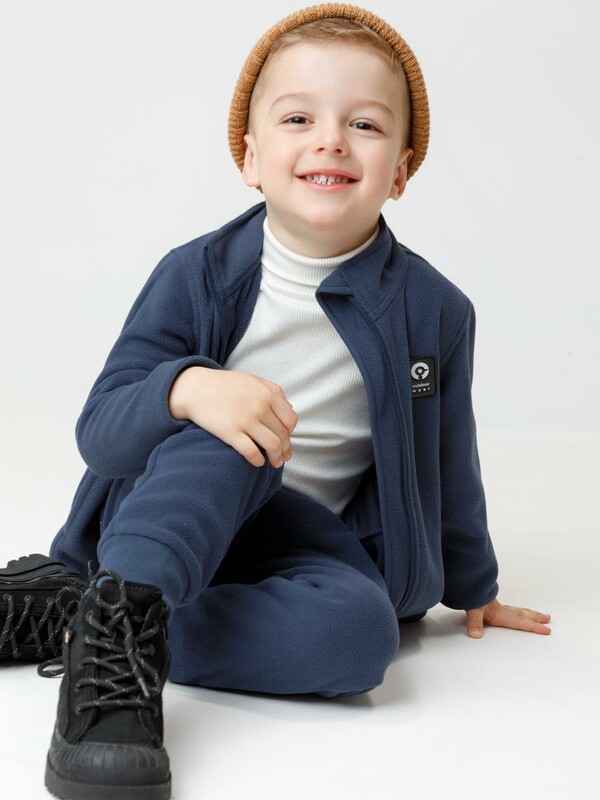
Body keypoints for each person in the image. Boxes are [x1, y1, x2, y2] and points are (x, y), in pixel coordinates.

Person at [0, 4, 551, 799]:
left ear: (400, 170)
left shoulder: (436, 312)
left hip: (303, 541)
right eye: (299, 118)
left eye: (365, 124)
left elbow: (448, 462)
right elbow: (102, 432)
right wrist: (187, 389)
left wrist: (474, 586)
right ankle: (120, 640)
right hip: (168, 512)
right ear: (251, 158)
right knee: (239, 429)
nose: (331, 140)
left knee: (362, 641)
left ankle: (85, 616)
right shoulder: (195, 274)